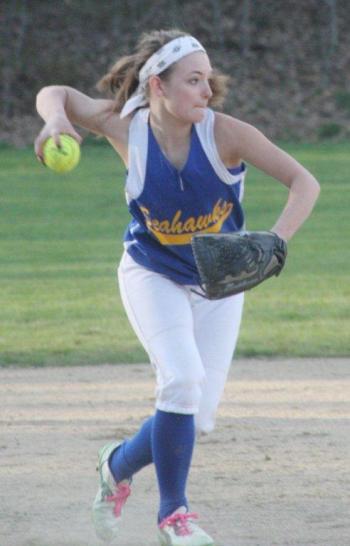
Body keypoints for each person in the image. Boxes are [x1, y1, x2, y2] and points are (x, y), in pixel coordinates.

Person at [34, 29, 320, 546]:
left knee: (196, 415)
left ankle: (117, 464)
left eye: (207, 80)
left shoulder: (226, 133)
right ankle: (174, 516)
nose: (207, 91)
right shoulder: (125, 127)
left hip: (218, 282)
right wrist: (56, 119)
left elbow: (305, 182)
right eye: (193, 80)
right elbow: (57, 93)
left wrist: (277, 240)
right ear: (157, 85)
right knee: (181, 382)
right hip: (153, 274)